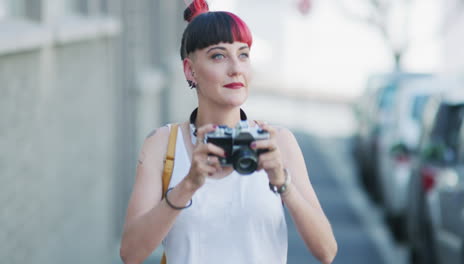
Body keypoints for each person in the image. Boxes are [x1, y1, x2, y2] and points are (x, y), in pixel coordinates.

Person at [119, 1, 337, 263]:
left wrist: (282, 182)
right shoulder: (163, 144)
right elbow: (130, 254)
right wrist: (188, 185)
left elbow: (327, 251)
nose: (236, 68)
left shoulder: (277, 142)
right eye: (219, 56)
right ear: (190, 70)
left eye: (243, 54)